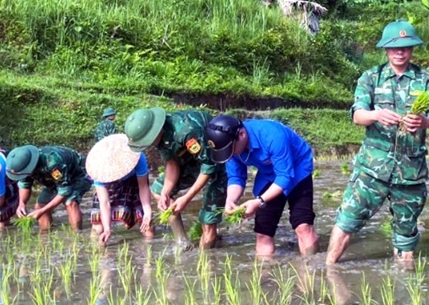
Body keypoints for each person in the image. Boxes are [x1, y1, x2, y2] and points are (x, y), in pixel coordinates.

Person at [325, 20, 429, 265]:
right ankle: (329, 271)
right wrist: (376, 115)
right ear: (386, 49)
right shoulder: (371, 78)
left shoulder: (426, 80)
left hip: (409, 173)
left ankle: (404, 282)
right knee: (346, 221)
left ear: (412, 49)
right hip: (372, 169)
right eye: (394, 47)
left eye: (405, 47)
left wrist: (425, 122)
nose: (399, 52)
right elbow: (357, 115)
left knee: (405, 236)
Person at [205, 114, 319, 257]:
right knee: (263, 231)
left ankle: (311, 266)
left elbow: (285, 177)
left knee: (303, 226)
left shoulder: (273, 136)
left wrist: (259, 201)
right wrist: (230, 200)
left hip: (298, 168)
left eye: (230, 149)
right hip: (268, 173)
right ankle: (265, 270)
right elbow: (236, 178)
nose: (230, 154)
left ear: (241, 134)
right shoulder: (231, 147)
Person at [124, 107, 227, 248]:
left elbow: (208, 167)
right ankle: (183, 244)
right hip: (191, 160)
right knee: (158, 190)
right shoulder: (160, 137)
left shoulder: (187, 131)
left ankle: (208, 256)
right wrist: (165, 193)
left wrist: (186, 198)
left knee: (208, 225)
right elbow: (172, 163)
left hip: (216, 161)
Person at [85, 134, 153, 245]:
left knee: (147, 224)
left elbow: (143, 187)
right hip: (109, 186)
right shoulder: (99, 172)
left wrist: (148, 212)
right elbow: (104, 202)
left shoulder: (137, 157)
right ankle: (98, 250)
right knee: (99, 227)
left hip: (132, 182)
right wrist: (107, 229)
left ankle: (149, 247)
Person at [5, 145, 92, 231]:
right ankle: (45, 234)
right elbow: (25, 185)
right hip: (56, 179)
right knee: (40, 204)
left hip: (78, 174)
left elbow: (64, 191)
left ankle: (77, 233)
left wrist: (42, 211)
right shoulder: (23, 168)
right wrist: (21, 203)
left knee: (70, 202)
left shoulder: (52, 162)